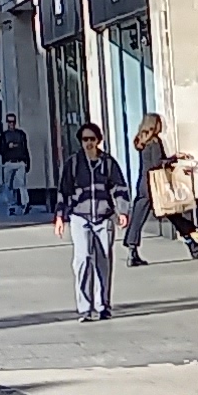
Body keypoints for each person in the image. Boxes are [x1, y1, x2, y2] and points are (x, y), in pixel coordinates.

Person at [59, 123, 127, 321]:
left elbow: (119, 187)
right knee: (83, 260)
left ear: (99, 141)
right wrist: (60, 216)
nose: (89, 143)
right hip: (80, 217)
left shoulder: (108, 163)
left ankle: (103, 305)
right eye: (85, 140)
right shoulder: (73, 164)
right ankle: (85, 308)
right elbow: (65, 190)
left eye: (92, 139)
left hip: (103, 217)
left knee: (103, 261)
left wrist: (122, 210)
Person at [128, 112, 193, 262]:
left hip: (144, 183)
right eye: (159, 123)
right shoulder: (155, 141)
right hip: (154, 185)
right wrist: (174, 158)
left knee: (142, 217)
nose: (161, 125)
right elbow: (157, 163)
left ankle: (132, 251)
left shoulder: (142, 140)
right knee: (171, 211)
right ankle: (191, 242)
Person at [0, 113, 35, 216]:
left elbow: (25, 149)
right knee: (8, 186)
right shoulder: (4, 136)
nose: (11, 124)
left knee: (22, 185)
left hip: (20, 162)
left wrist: (27, 162)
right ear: (7, 123)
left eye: (13, 122)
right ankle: (11, 206)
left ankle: (25, 204)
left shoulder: (21, 134)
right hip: (9, 162)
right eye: (9, 122)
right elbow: (1, 150)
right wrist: (7, 147)